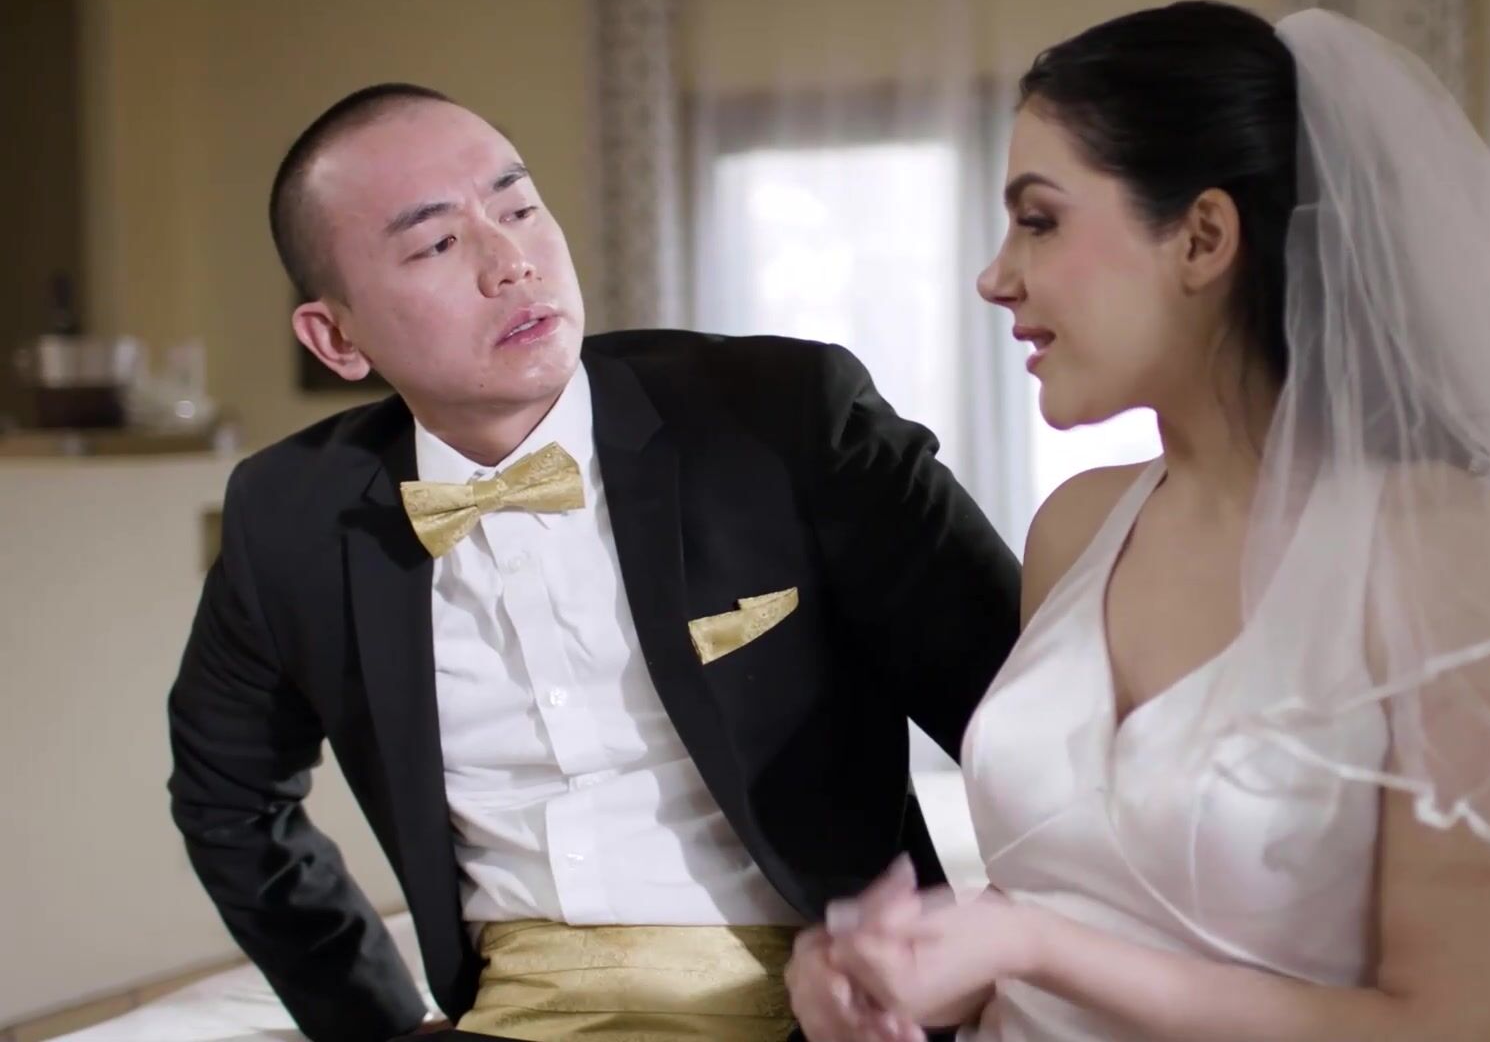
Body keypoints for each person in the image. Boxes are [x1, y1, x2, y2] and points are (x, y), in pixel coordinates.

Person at [785, 2, 1490, 1042]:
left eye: (1039, 220)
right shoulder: (1075, 529)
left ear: (1203, 237)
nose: (996, 277)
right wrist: (903, 980)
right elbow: (1080, 895)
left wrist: (1033, 945)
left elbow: (1469, 1022)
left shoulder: (1457, 559)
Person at [165, 82, 1021, 1042]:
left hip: (832, 1001)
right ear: (336, 337)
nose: (511, 262)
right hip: (519, 1007)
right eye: (437, 244)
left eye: (519, 208)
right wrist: (377, 1024)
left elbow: (1025, 714)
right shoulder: (291, 513)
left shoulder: (784, 416)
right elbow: (227, 799)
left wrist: (1008, 948)